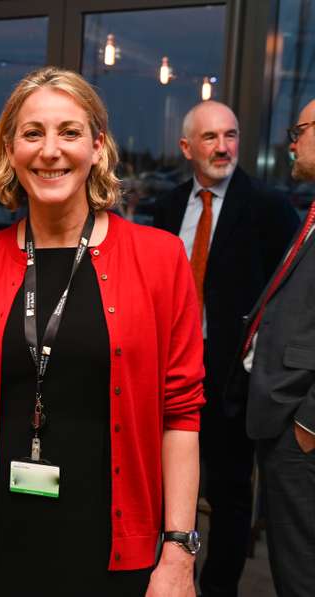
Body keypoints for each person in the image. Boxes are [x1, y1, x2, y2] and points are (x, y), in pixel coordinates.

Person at [0, 66, 205, 597]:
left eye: (69, 132)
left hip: (112, 555)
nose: (51, 150)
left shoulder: (160, 260)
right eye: (32, 133)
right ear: (9, 149)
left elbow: (179, 414)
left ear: (97, 146)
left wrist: (178, 551)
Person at [153, 101, 299, 597]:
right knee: (168, 492)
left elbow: (287, 300)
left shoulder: (269, 209)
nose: (223, 147)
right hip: (169, 374)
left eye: (231, 135)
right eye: (210, 137)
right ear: (186, 147)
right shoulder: (167, 207)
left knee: (231, 497)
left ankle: (217, 590)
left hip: (233, 382)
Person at [239, 98, 315, 597]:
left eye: (301, 129)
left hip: (302, 427)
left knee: (302, 569)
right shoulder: (309, 211)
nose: (291, 142)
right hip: (281, 412)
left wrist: (308, 423)